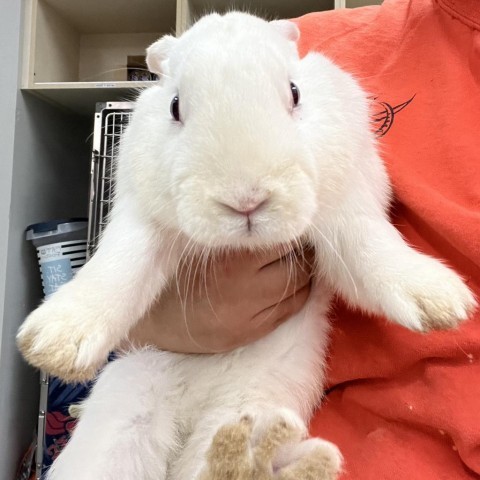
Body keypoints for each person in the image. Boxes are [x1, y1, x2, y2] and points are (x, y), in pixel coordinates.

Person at [130, 0, 480, 478]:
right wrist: (162, 316)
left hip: (291, 391)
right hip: (327, 426)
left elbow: (359, 230)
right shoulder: (295, 45)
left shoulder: (316, 87)